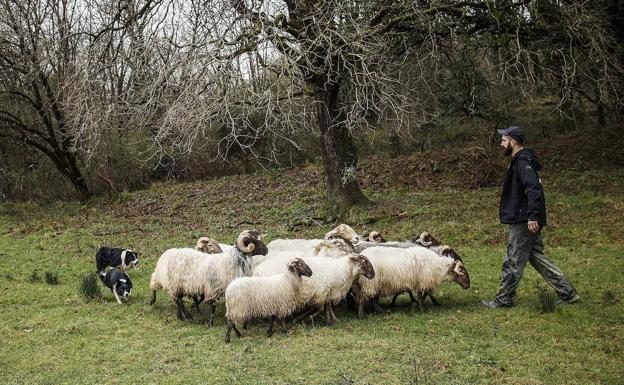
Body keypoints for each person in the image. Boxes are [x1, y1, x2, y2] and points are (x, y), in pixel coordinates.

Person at [481, 126, 579, 308]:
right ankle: (568, 293)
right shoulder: (519, 161)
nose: (502, 144)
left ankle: (504, 300)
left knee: (513, 259)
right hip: (525, 217)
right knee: (536, 257)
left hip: (525, 220)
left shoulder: (523, 163)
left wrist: (532, 217)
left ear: (514, 141)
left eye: (504, 140)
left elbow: (534, 190)